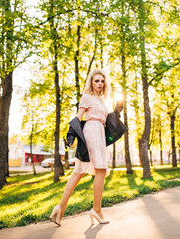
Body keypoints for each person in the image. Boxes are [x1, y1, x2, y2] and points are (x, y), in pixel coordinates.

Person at [49, 69, 126, 226]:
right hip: (91, 132)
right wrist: (71, 134)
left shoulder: (101, 100)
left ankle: (60, 208)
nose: (99, 84)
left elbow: (106, 120)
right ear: (91, 82)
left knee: (79, 172)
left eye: (102, 81)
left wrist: (117, 111)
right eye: (96, 81)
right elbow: (78, 117)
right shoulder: (87, 97)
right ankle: (96, 210)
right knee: (100, 170)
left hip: (99, 132)